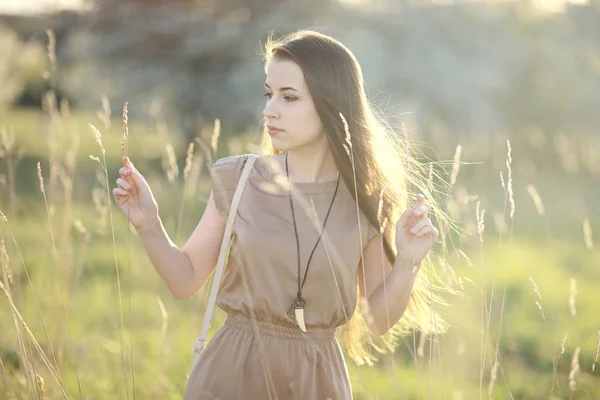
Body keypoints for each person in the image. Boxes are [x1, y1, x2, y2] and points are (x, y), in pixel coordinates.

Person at [113, 30, 451, 400]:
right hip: (231, 376)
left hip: (318, 383)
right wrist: (149, 222)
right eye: (268, 94)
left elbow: (379, 320)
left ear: (330, 104)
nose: (269, 110)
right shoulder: (239, 178)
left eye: (289, 97)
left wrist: (407, 262)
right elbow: (185, 279)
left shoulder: (365, 200)